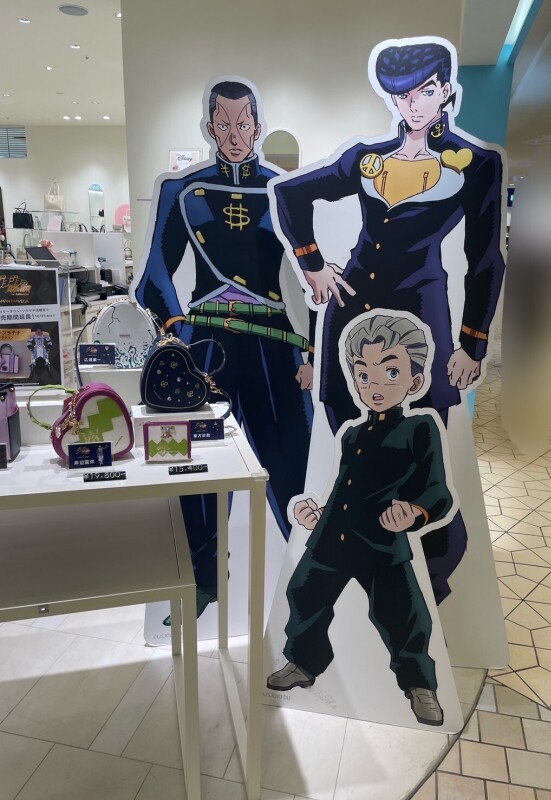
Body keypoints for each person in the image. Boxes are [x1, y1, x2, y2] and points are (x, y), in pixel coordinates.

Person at [271, 39, 505, 602]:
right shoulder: (366, 158)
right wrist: (311, 264)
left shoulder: (476, 164)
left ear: (445, 90)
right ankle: (348, 550)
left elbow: (485, 258)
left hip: (423, 316)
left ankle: (428, 573)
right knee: (346, 429)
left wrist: (472, 343)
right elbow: (290, 194)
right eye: (402, 95)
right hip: (350, 309)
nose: (413, 104)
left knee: (423, 436)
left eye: (424, 91)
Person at [134, 78, 313, 619]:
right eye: (224, 123)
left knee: (294, 463)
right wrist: (176, 327)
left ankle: (312, 589)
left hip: (274, 345)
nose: (234, 134)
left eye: (244, 123)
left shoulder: (286, 189)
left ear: (257, 127)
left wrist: (313, 351)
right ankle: (203, 582)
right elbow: (154, 275)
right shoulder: (182, 190)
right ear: (210, 126)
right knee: (198, 469)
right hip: (207, 345)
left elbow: (315, 275)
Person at [267, 314, 454, 726]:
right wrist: (317, 512)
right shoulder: (352, 433)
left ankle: (419, 684)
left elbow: (438, 493)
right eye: (364, 375)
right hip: (332, 535)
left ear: (415, 381)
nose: (375, 385)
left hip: (382, 542)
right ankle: (303, 662)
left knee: (404, 614)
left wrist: (415, 512)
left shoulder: (420, 428)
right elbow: (345, 487)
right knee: (304, 593)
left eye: (391, 372)